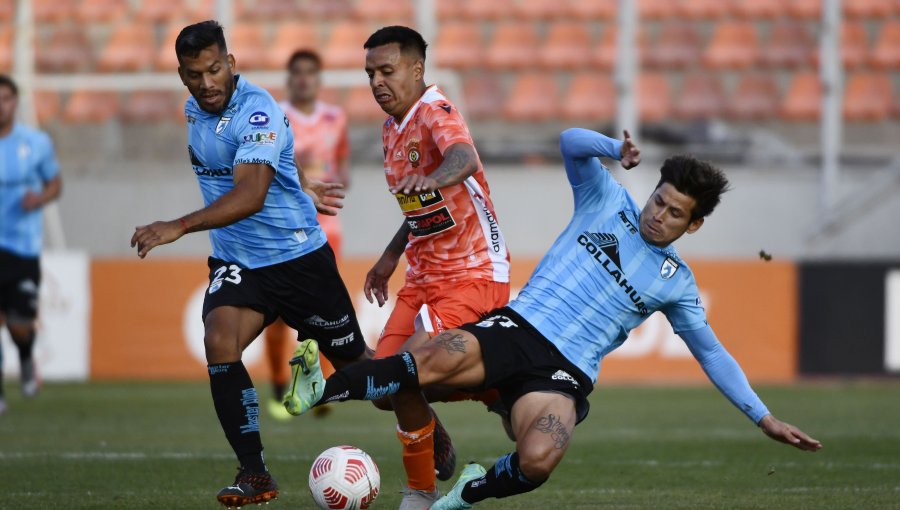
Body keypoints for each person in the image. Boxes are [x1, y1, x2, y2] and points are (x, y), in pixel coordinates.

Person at [283, 127, 822, 509]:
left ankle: (469, 491)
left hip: (563, 375)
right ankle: (318, 390)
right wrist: (615, 148)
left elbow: (711, 351)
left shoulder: (675, 282)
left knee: (538, 461)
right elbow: (569, 142)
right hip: (517, 331)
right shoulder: (605, 199)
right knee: (419, 361)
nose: (658, 215)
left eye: (675, 213)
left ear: (694, 225)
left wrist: (762, 416)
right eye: (659, 200)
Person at [130, 21, 369, 508]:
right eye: (194, 74)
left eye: (215, 69)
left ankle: (427, 425)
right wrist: (301, 179)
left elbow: (252, 194)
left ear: (231, 63)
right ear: (182, 76)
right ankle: (255, 473)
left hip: (298, 258)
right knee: (219, 339)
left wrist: (178, 225)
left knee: (368, 377)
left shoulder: (257, 107)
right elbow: (260, 157)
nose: (207, 83)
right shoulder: (194, 109)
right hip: (239, 261)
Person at [308, 25, 511, 509]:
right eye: (370, 73)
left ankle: (420, 494)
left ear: (417, 69)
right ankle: (495, 382)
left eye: (388, 70)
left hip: (471, 273)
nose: (378, 81)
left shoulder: (435, 112)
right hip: (421, 276)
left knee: (402, 373)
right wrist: (391, 254)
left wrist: (434, 176)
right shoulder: (389, 128)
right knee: (384, 387)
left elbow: (464, 156)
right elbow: (421, 208)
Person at [263, 49, 351, 420]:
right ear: (289, 78)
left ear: (318, 78)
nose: (303, 79)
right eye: (297, 72)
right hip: (284, 227)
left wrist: (336, 179)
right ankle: (279, 384)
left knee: (328, 310)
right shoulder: (274, 116)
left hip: (326, 227)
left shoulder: (336, 117)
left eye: (310, 73)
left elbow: (343, 165)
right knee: (280, 313)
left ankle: (322, 388)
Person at [0, 75, 61, 417]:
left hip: (22, 248)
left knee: (20, 324)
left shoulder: (35, 143)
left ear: (15, 102)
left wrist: (39, 197)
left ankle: (25, 357)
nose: (0, 105)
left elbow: (55, 183)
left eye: (6, 98)